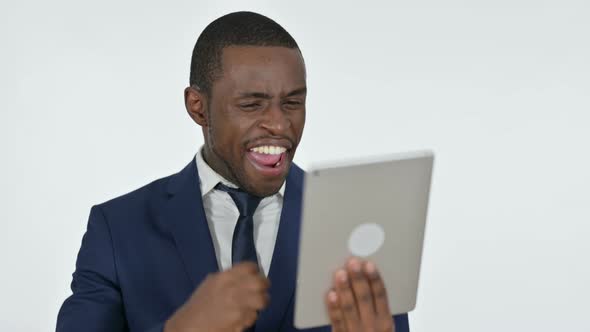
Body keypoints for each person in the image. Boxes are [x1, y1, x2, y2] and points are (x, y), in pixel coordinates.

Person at [56, 11, 410, 332]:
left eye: (293, 102)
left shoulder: (356, 223)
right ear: (198, 107)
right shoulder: (119, 228)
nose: (279, 123)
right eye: (251, 104)